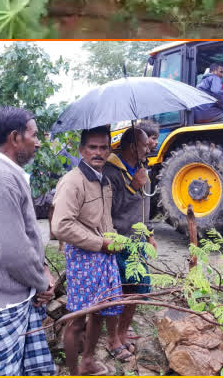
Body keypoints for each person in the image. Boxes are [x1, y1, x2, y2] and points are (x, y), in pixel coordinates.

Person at [0, 107, 56, 376]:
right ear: (15, 138)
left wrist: (40, 271)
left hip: (17, 294)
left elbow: (23, 238)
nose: (39, 142)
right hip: (6, 301)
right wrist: (42, 283)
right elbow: (13, 252)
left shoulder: (6, 173)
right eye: (34, 135)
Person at [51, 126, 124, 373]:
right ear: (81, 150)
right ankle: (74, 372)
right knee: (77, 319)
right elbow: (61, 225)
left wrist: (112, 237)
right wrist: (99, 243)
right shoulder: (72, 182)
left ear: (109, 150)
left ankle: (88, 362)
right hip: (84, 258)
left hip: (104, 254)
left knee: (99, 311)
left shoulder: (103, 180)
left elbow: (104, 219)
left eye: (104, 147)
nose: (98, 152)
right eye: (92, 147)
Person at [104, 126, 158, 356]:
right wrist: (133, 186)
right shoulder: (110, 172)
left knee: (137, 289)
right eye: (145, 145)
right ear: (132, 147)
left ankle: (124, 332)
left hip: (138, 241)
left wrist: (149, 234)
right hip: (119, 242)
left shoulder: (140, 168)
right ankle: (113, 339)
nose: (149, 148)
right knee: (119, 292)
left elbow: (143, 207)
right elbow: (109, 210)